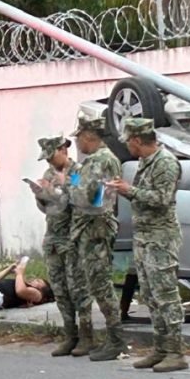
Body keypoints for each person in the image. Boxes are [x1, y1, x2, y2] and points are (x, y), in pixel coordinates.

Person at [106, 117, 188, 372]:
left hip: (161, 238)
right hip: (145, 237)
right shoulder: (146, 162)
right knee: (151, 295)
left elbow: (162, 199)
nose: (127, 146)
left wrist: (129, 191)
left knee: (166, 295)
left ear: (138, 140)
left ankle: (176, 351)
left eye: (129, 141)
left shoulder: (165, 163)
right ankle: (161, 348)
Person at [29, 134, 94, 357]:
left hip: (72, 237)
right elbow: (47, 209)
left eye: (51, 157)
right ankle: (70, 335)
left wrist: (58, 192)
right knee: (59, 288)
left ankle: (87, 337)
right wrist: (41, 196)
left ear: (62, 150)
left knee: (78, 289)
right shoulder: (49, 174)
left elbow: (79, 201)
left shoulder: (77, 172)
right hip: (53, 237)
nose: (49, 163)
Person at [69, 115, 125, 361]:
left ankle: (116, 340)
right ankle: (111, 339)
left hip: (96, 229)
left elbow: (88, 196)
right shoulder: (97, 160)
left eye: (78, 137)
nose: (77, 143)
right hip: (93, 228)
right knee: (96, 284)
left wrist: (68, 187)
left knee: (101, 286)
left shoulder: (100, 161)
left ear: (88, 136)